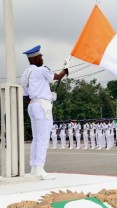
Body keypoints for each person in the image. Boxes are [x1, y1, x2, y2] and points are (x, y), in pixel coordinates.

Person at [21, 45, 68, 180]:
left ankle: (34, 168)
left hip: (32, 106)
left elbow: (26, 98)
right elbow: (58, 76)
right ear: (35, 59)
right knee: (43, 138)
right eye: (40, 57)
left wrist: (43, 95)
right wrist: (66, 69)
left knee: (37, 138)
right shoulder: (40, 70)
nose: (42, 59)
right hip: (42, 106)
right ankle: (40, 169)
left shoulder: (25, 74)